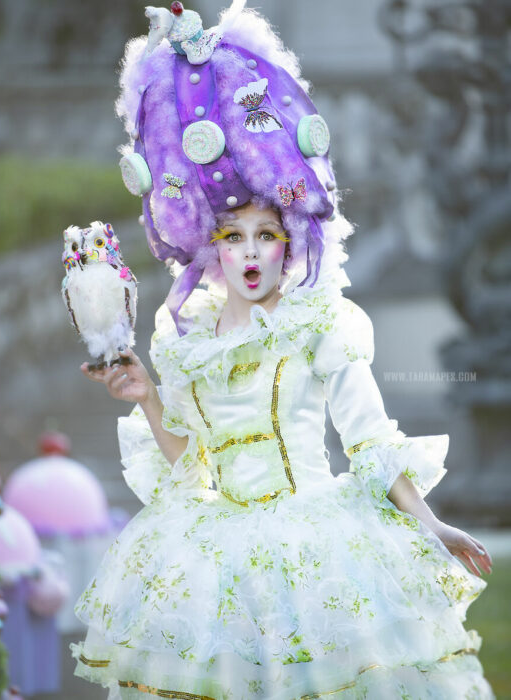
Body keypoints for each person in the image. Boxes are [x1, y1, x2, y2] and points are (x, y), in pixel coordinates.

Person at [69, 3, 494, 698]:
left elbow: (368, 438)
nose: (250, 253)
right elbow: (189, 463)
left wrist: (430, 522)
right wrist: (145, 397)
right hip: (211, 557)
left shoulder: (319, 320)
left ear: (289, 240)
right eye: (233, 238)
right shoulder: (187, 340)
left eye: (265, 234)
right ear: (212, 248)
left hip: (316, 546)